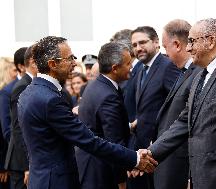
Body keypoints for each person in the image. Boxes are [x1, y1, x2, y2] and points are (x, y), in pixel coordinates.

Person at [17, 36, 157, 189]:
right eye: (69, 58)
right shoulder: (50, 99)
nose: (74, 63)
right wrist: (135, 158)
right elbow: (89, 140)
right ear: (52, 64)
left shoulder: (30, 92)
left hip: (41, 179)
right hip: (56, 182)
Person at [135, 18, 216, 189]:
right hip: (201, 177)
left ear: (210, 41)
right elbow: (184, 121)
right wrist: (151, 152)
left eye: (192, 41)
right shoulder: (199, 75)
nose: (188, 48)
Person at [127, 26, 180, 189]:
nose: (138, 48)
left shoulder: (167, 66)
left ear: (156, 42)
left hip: (160, 151)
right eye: (134, 45)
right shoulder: (140, 70)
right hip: (141, 149)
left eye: (142, 42)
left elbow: (178, 106)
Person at [76, 42, 132, 189]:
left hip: (92, 166)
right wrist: (121, 179)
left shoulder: (96, 85)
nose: (131, 67)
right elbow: (114, 141)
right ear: (114, 68)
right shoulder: (108, 95)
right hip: (100, 172)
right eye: (128, 64)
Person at [152, 19, 200, 189]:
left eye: (165, 48)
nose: (166, 54)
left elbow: (189, 123)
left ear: (177, 45)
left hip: (181, 166)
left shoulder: (197, 74)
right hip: (170, 162)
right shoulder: (184, 72)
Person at [5, 45, 38, 189]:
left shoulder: (32, 83)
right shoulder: (22, 86)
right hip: (21, 164)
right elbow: (18, 128)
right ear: (31, 62)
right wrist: (27, 165)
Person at [0, 57, 17, 189]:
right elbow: (4, 131)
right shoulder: (4, 95)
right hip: (5, 162)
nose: (16, 73)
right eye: (13, 70)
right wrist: (3, 166)